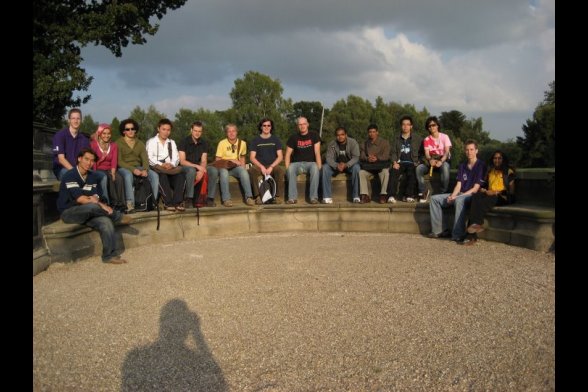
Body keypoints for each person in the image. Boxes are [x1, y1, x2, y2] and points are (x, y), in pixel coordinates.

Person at [57, 148, 132, 264]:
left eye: (92, 161)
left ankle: (109, 256)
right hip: (69, 212)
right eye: (86, 159)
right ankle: (117, 217)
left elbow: (96, 196)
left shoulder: (93, 176)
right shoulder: (70, 175)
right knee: (93, 206)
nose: (89, 163)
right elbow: (81, 199)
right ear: (79, 159)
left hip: (88, 212)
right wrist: (98, 203)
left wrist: (95, 200)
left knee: (106, 222)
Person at [428, 140, 486, 243]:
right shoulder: (462, 166)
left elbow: (475, 188)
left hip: (471, 195)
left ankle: (458, 235)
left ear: (476, 151)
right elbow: (458, 185)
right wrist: (453, 196)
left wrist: (458, 197)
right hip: (460, 194)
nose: (469, 152)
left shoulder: (481, 165)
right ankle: (439, 230)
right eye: (467, 150)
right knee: (434, 199)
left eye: (472, 150)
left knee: (459, 201)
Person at [465, 151, 516, 243]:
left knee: (482, 203)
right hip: (489, 194)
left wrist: (495, 192)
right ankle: (476, 225)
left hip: (502, 196)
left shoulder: (508, 172)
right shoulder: (490, 171)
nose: (497, 160)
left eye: (499, 158)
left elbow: (511, 191)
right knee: (475, 197)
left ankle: (471, 235)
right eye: (495, 158)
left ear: (503, 160)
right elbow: (484, 185)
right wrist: (484, 190)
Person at [116, 119, 159, 213]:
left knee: (154, 175)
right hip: (124, 168)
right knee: (128, 175)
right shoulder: (118, 143)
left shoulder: (140, 143)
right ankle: (130, 204)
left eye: (132, 129)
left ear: (135, 130)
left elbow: (145, 160)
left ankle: (153, 202)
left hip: (138, 166)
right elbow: (119, 161)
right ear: (124, 131)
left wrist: (145, 170)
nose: (130, 131)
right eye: (127, 129)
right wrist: (133, 170)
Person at [208, 124, 255, 207]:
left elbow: (243, 158)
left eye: (233, 131)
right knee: (224, 173)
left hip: (235, 168)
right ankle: (226, 199)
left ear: (236, 132)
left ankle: (249, 197)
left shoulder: (242, 143)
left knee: (243, 172)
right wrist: (230, 160)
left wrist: (243, 168)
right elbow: (217, 160)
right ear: (226, 133)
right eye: (229, 131)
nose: (231, 133)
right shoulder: (222, 143)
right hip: (223, 167)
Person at [146, 118, 187, 211]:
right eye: (163, 129)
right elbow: (149, 158)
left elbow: (176, 158)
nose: (166, 132)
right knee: (162, 176)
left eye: (168, 130)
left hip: (171, 169)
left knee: (181, 175)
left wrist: (171, 164)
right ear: (158, 129)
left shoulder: (171, 142)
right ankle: (168, 203)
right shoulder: (151, 142)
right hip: (158, 168)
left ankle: (178, 202)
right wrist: (162, 165)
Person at [284, 117, 322, 204]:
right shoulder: (293, 137)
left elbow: (317, 153)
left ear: (307, 124)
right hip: (296, 164)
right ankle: (292, 198)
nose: (302, 126)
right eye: (300, 124)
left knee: (315, 168)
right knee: (290, 169)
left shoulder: (314, 135)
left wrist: (319, 167)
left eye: (304, 124)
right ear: (297, 126)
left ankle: (313, 198)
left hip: (310, 163)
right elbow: (287, 155)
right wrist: (287, 169)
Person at [248, 118, 285, 204]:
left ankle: (278, 197)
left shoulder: (276, 140)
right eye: (264, 125)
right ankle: (257, 197)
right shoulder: (255, 140)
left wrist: (271, 167)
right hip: (259, 166)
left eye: (268, 125)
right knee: (252, 170)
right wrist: (261, 167)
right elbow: (252, 157)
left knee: (280, 171)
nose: (266, 127)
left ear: (271, 127)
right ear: (261, 127)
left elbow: (280, 156)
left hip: (272, 165)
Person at [89, 123, 125, 209]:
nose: (106, 136)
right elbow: (93, 162)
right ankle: (110, 203)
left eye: (108, 133)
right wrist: (102, 158)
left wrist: (113, 172)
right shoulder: (94, 144)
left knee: (118, 178)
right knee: (106, 177)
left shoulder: (113, 145)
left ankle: (121, 203)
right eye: (104, 133)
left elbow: (114, 160)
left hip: (109, 168)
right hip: (98, 169)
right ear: (100, 134)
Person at [387, 115, 422, 203]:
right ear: (401, 126)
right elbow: (393, 152)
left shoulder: (417, 139)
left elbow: (422, 152)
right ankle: (391, 195)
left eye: (407, 124)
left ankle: (409, 195)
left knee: (412, 173)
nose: (405, 126)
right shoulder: (396, 138)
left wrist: (418, 162)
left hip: (412, 162)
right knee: (393, 172)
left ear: (411, 126)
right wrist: (394, 162)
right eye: (403, 124)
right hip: (400, 162)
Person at [416, 116, 452, 202]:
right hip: (431, 161)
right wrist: (430, 160)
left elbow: (447, 152)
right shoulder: (427, 139)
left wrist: (441, 161)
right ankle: (423, 192)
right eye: (429, 126)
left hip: (442, 160)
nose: (432, 127)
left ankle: (443, 192)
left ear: (437, 126)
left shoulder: (444, 137)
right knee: (419, 169)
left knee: (446, 167)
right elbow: (427, 154)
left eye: (433, 125)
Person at [321, 126, 361, 203]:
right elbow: (329, 158)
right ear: (336, 136)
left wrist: (346, 165)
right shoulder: (332, 144)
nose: (340, 137)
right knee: (325, 167)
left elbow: (356, 157)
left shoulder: (353, 142)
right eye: (338, 135)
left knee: (357, 167)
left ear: (346, 135)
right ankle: (327, 197)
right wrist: (336, 165)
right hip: (336, 166)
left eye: (342, 134)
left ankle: (356, 196)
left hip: (349, 166)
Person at [178, 121, 211, 207]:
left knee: (213, 171)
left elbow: (204, 160)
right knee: (192, 171)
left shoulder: (204, 143)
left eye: (199, 131)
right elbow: (182, 161)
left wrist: (201, 170)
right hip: (185, 166)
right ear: (191, 130)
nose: (197, 133)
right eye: (195, 131)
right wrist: (197, 166)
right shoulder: (183, 141)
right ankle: (189, 198)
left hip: (198, 166)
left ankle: (208, 199)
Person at [52, 108, 90, 180]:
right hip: (62, 169)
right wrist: (76, 172)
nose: (76, 121)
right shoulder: (60, 135)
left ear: (81, 120)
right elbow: (61, 159)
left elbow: (86, 158)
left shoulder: (84, 139)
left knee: (100, 177)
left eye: (78, 118)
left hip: (79, 169)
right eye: (73, 118)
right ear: (69, 120)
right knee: (73, 177)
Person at [358, 124, 391, 204]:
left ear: (377, 132)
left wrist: (377, 158)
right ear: (368, 133)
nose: (372, 134)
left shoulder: (385, 143)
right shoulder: (364, 144)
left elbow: (386, 156)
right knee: (361, 173)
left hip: (381, 166)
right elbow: (361, 156)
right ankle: (365, 195)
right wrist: (368, 158)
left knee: (385, 172)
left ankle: (383, 195)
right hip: (369, 167)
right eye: (370, 132)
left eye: (373, 132)